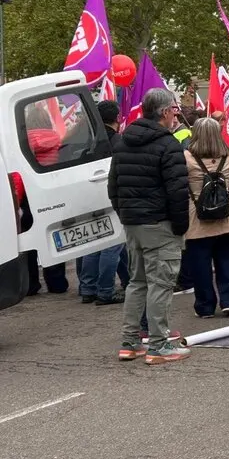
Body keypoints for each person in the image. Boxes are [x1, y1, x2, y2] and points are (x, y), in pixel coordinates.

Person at [109, 88, 191, 364]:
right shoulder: (168, 144)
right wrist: (180, 226)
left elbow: (113, 186)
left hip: (133, 223)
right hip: (159, 223)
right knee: (161, 284)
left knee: (137, 282)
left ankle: (130, 342)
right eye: (175, 109)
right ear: (165, 111)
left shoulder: (123, 141)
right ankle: (158, 345)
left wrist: (125, 214)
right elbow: (177, 191)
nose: (176, 115)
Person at [184, 118, 229, 318]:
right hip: (226, 219)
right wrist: (228, 202)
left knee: (200, 265)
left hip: (196, 220)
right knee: (227, 261)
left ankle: (205, 306)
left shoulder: (186, 157)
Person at [80, 100, 128, 306]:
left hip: (91, 196)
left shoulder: (88, 141)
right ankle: (105, 291)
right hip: (112, 196)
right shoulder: (118, 142)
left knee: (94, 242)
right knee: (112, 245)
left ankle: (88, 288)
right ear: (117, 117)